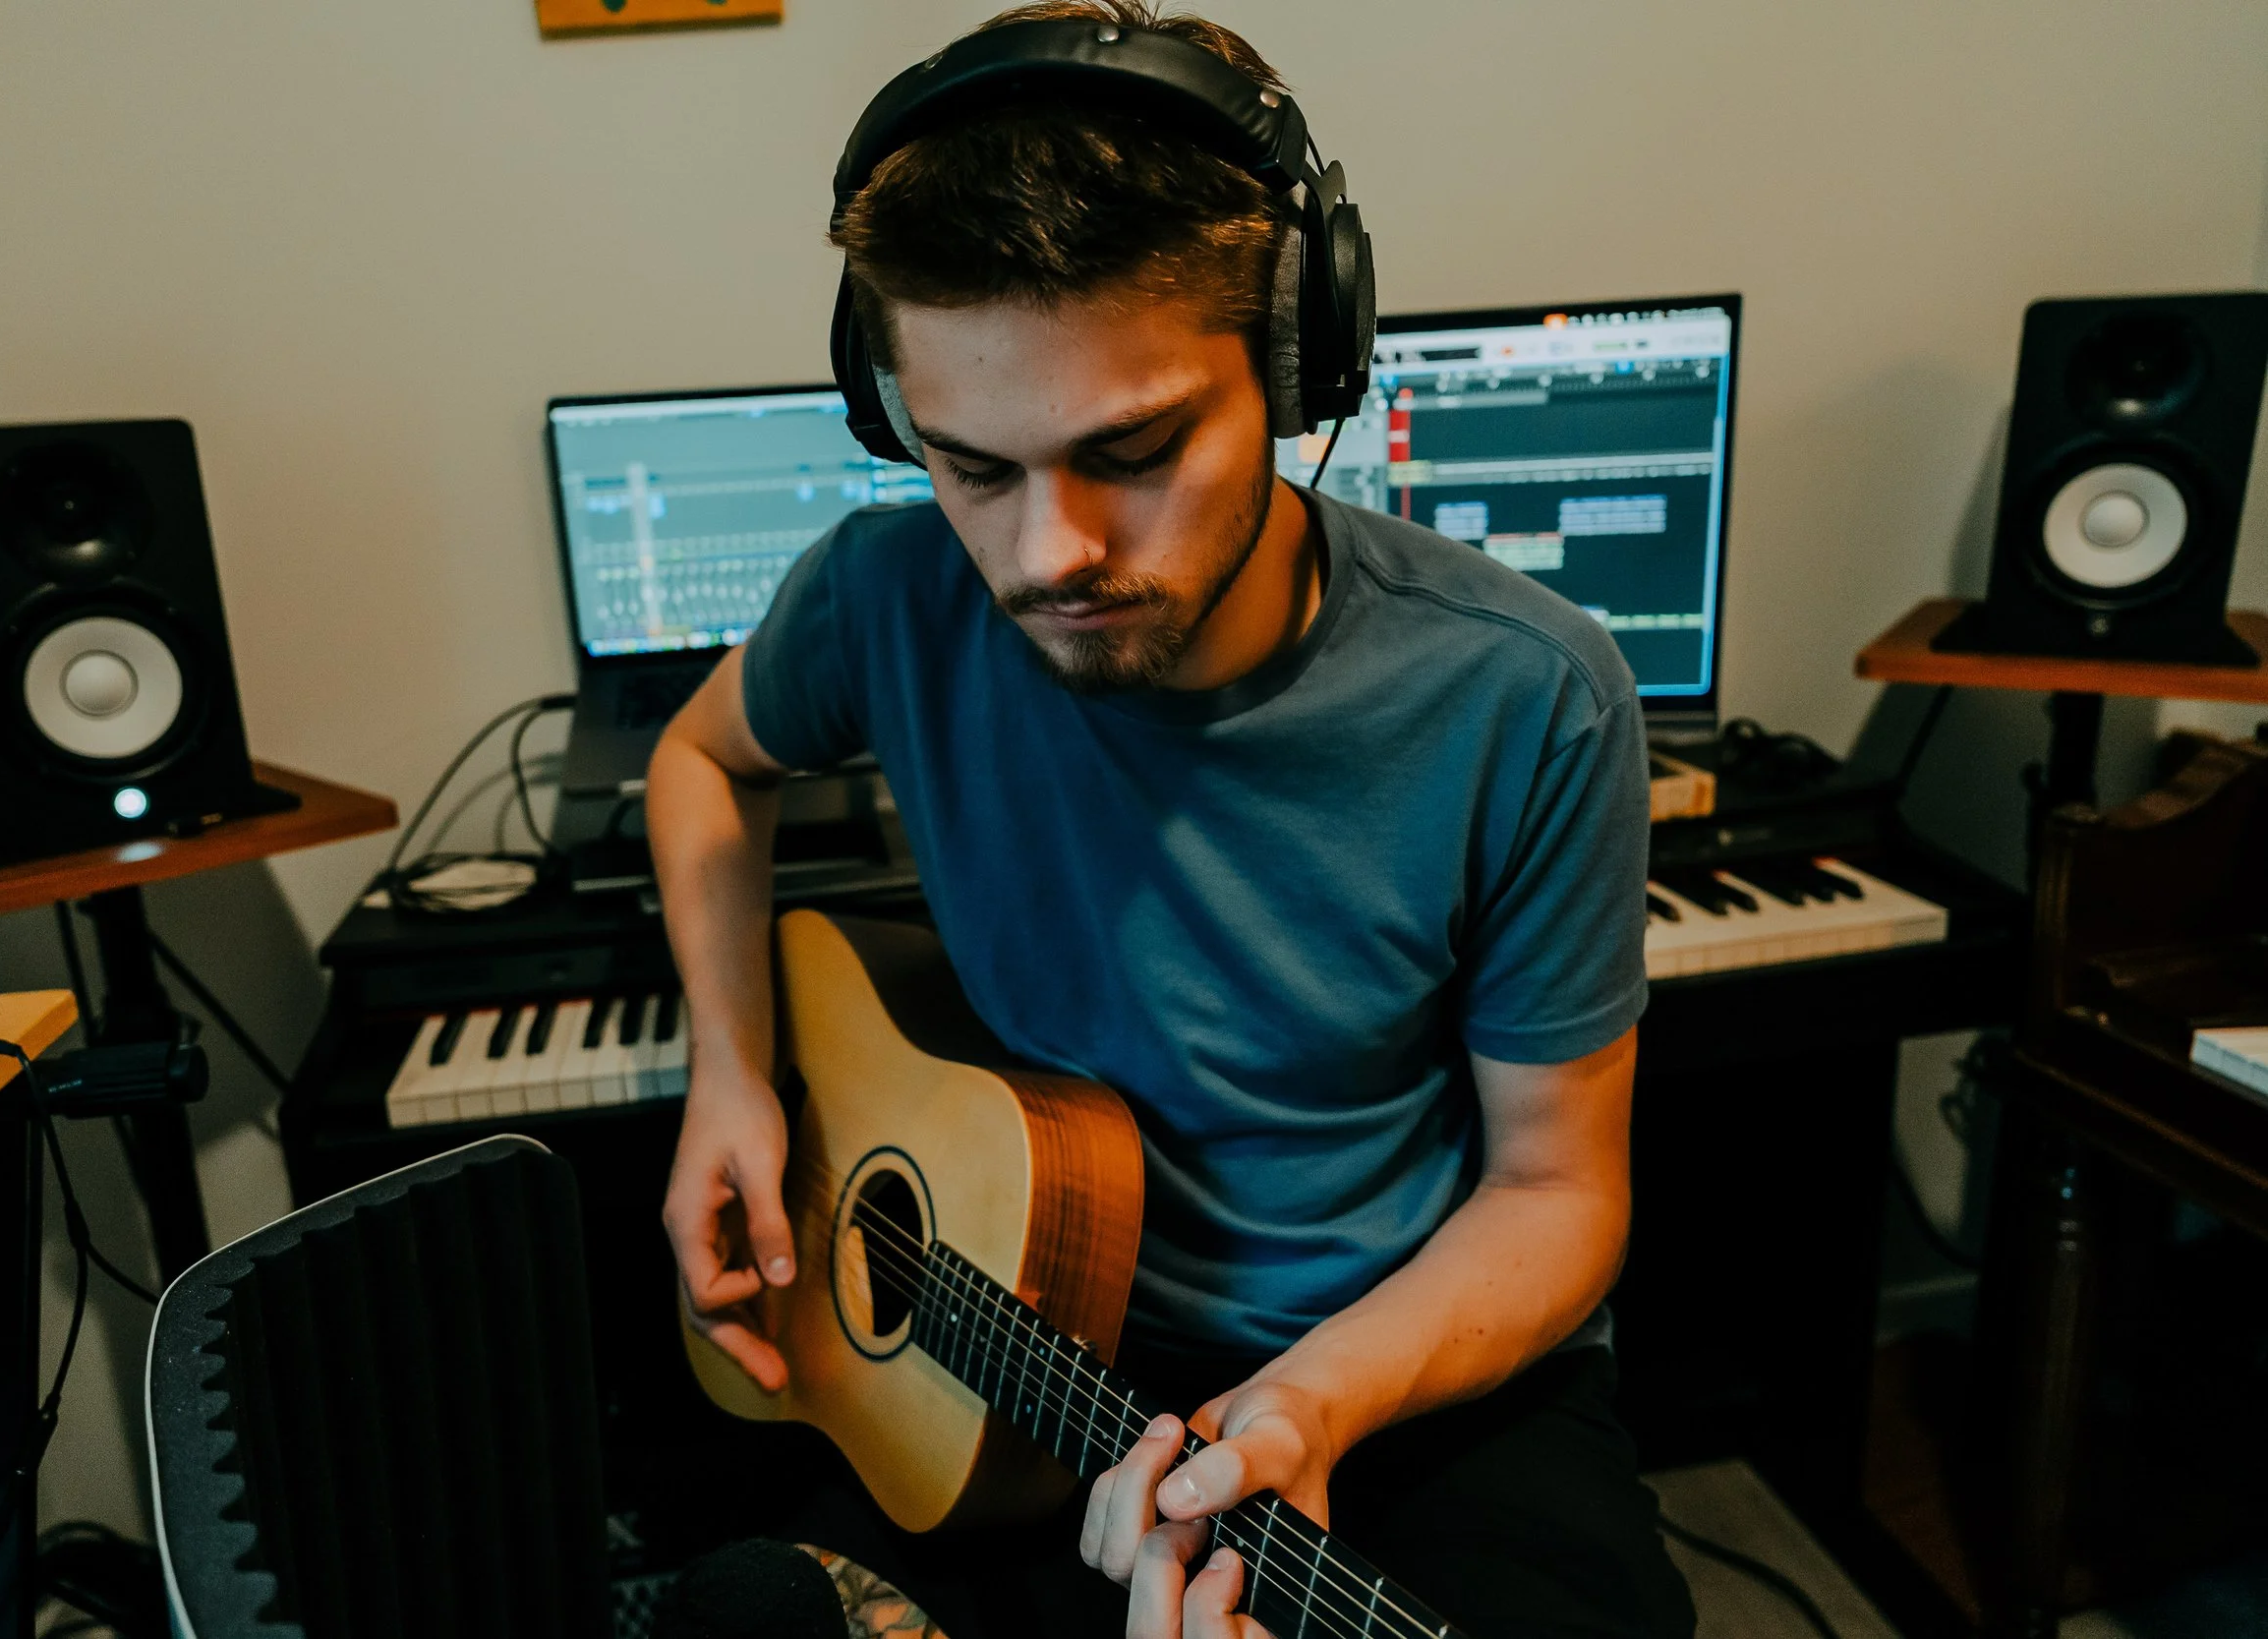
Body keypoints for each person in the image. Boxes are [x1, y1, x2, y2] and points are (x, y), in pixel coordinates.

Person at [649, 4, 1694, 1635]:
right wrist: (728, 1073)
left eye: (1129, 451)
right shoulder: (883, 596)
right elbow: (704, 763)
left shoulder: (1527, 691)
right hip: (1014, 1320)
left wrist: (1312, 1404)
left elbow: (1561, 1194)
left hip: (1398, 1358)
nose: (1044, 551)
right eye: (970, 466)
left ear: (1295, 366)